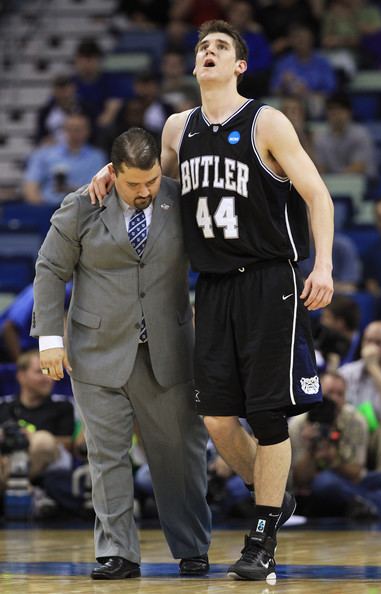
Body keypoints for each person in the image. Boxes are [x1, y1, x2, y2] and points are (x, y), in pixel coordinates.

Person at [89, 19, 334, 582]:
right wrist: (112, 171)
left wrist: (322, 265)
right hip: (215, 286)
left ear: (240, 65)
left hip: (271, 279)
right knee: (219, 420)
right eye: (202, 46)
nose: (208, 52)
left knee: (269, 415)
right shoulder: (178, 127)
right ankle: (274, 496)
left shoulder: (266, 121)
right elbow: (151, 180)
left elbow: (317, 193)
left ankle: (263, 534)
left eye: (220, 47)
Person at [31, 128, 211, 579]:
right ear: (113, 173)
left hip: (170, 349)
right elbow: (50, 269)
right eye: (134, 184)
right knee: (106, 455)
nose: (145, 191)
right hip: (96, 353)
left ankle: (191, 546)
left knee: (181, 452)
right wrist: (50, 340)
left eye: (151, 180)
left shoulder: (181, 199)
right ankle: (117, 552)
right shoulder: (82, 205)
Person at [289, 371, 381, 520]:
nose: (335, 399)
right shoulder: (298, 424)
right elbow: (299, 482)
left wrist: (333, 459)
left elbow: (357, 473)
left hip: (352, 483)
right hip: (320, 486)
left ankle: (371, 506)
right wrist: (311, 451)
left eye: (340, 394)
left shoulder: (356, 421)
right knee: (324, 482)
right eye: (330, 393)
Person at [0, 350, 74, 487]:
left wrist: (29, 438)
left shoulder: (63, 406)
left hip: (50, 464)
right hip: (6, 460)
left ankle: (10, 486)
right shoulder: (4, 406)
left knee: (42, 441)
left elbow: (68, 444)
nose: (48, 378)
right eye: (40, 372)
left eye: (49, 372)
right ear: (21, 376)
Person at [339, 321, 381, 471]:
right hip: (354, 436)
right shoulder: (347, 373)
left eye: (379, 343)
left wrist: (373, 368)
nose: (372, 348)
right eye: (368, 341)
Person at [23, 113, 106, 206]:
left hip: (84, 209)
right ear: (63, 131)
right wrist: (41, 209)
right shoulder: (43, 154)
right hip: (48, 207)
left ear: (88, 131)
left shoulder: (97, 157)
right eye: (70, 129)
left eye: (78, 129)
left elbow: (98, 190)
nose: (74, 133)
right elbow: (30, 187)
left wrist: (69, 189)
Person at [313, 93, 377, 179]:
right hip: (332, 184)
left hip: (362, 182)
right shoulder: (321, 139)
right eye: (332, 111)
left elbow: (359, 166)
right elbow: (321, 168)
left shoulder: (361, 134)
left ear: (349, 112)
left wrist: (336, 179)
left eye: (340, 110)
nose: (336, 115)